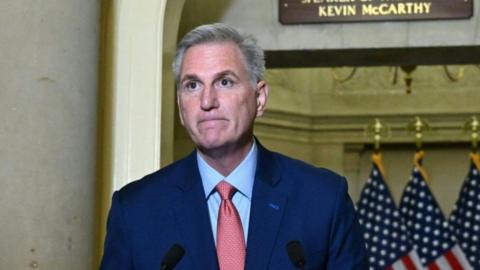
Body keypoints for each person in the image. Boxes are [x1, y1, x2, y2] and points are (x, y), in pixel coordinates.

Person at [100, 23, 367, 270]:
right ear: (181, 107)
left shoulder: (322, 200)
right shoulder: (135, 210)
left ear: (259, 98)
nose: (207, 101)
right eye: (192, 85)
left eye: (224, 82)